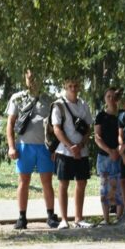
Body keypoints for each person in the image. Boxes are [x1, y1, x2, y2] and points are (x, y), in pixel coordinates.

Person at [5, 69, 59, 229]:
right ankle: (22, 217)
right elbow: (10, 123)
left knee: (47, 182)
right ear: (25, 79)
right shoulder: (17, 98)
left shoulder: (49, 99)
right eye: (30, 77)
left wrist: (54, 148)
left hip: (44, 147)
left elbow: (55, 125)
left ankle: (50, 216)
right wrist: (11, 147)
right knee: (23, 182)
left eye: (37, 77)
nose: (33, 81)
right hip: (24, 147)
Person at [52, 77, 95, 229]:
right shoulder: (59, 105)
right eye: (70, 85)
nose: (73, 88)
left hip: (82, 151)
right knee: (63, 183)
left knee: (81, 182)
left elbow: (89, 127)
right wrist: (71, 146)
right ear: (65, 86)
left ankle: (79, 218)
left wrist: (81, 144)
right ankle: (63, 219)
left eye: (75, 85)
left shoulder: (84, 104)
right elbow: (56, 128)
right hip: (64, 151)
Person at [94, 88, 124, 225]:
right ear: (105, 98)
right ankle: (106, 219)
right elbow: (97, 137)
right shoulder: (100, 116)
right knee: (105, 188)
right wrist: (109, 151)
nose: (111, 99)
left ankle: (119, 218)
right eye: (108, 96)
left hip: (120, 155)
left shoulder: (122, 116)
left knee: (120, 187)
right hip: (104, 157)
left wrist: (119, 151)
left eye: (114, 96)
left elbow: (124, 135)